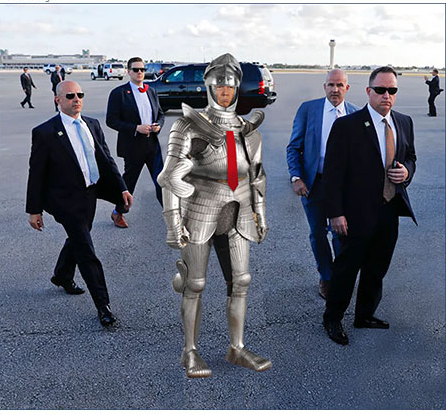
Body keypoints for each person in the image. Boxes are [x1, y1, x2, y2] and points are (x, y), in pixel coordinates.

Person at [158, 53, 271, 378]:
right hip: (200, 209)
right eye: (219, 85)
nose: (225, 91)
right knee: (195, 283)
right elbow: (169, 177)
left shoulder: (248, 130)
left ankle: (236, 347)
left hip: (239, 211)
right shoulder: (189, 125)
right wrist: (173, 224)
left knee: (241, 281)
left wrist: (260, 213)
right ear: (209, 87)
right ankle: (190, 352)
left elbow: (257, 175)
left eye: (230, 86)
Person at [26, 80, 133, 326]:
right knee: (86, 249)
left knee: (80, 236)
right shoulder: (45, 132)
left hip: (89, 193)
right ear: (58, 100)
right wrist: (34, 210)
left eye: (80, 95)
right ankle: (103, 306)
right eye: (70, 96)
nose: (77, 99)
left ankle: (62, 275)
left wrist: (122, 188)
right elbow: (37, 173)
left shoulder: (92, 125)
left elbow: (107, 159)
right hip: (64, 200)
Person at [322, 66, 417, 345]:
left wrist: (407, 172)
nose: (386, 95)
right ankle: (333, 317)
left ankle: (364, 315)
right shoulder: (348, 126)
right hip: (355, 214)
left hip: (389, 210)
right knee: (347, 269)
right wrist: (335, 213)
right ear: (368, 91)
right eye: (380, 90)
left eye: (392, 90)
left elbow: (410, 156)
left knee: (377, 268)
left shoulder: (404, 122)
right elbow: (333, 173)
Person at [286, 69, 359, 300]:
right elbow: (293, 147)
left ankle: (340, 275)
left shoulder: (355, 114)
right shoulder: (309, 110)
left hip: (343, 187)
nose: (334, 89)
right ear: (324, 86)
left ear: (347, 88)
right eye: (330, 85)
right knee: (318, 233)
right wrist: (296, 177)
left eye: (339, 85)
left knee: (341, 233)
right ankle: (326, 277)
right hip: (314, 183)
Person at [106, 57, 165, 228]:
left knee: (162, 182)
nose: (139, 72)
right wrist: (135, 128)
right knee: (129, 183)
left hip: (152, 145)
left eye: (142, 69)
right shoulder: (119, 93)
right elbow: (111, 120)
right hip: (133, 146)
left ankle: (172, 216)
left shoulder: (151, 91)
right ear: (128, 71)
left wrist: (158, 126)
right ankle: (118, 213)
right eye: (136, 70)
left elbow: (160, 114)